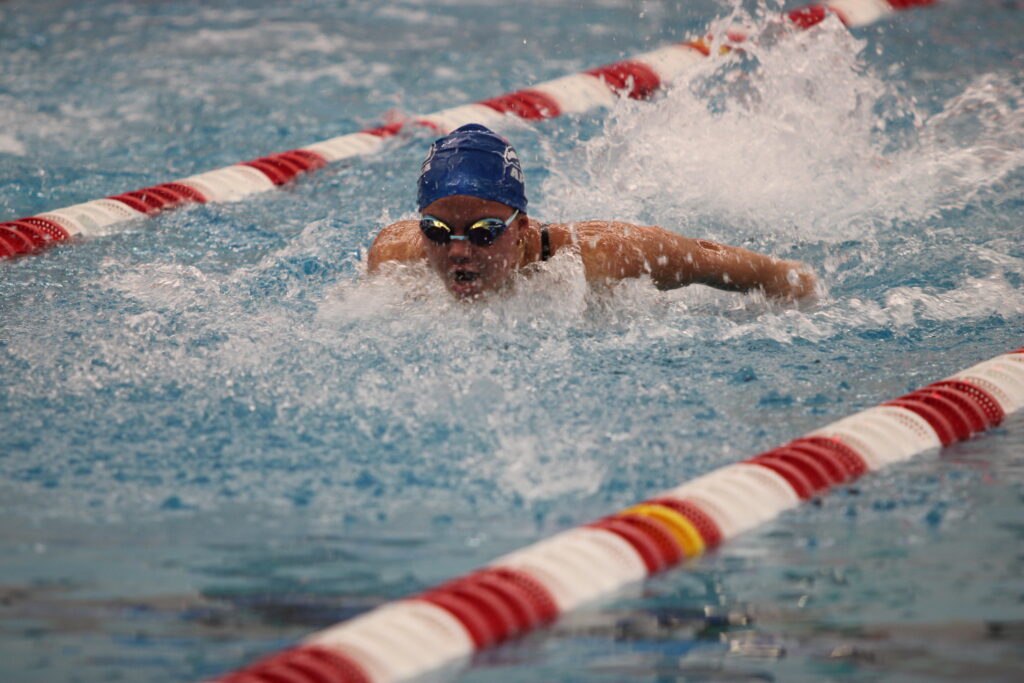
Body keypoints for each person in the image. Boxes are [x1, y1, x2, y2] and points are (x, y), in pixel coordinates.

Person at [367, 123, 816, 302]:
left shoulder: (605, 254)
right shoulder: (393, 256)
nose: (458, 251)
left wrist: (796, 287)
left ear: (521, 227)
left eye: (484, 232)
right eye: (438, 231)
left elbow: (714, 260)